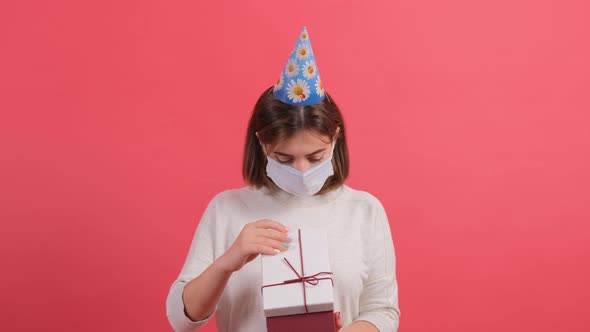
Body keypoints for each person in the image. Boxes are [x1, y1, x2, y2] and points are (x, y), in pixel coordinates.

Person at [166, 27, 400, 332]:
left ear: (335, 139)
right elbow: (182, 319)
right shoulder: (226, 209)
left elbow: (382, 310)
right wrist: (228, 261)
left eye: (315, 157)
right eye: (284, 159)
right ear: (263, 143)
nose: (302, 170)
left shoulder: (364, 210)